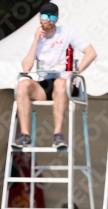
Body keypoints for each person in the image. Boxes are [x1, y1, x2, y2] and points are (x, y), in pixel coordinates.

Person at [13, 2, 97, 149]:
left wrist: (77, 71)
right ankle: (25, 135)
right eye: (45, 16)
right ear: (39, 17)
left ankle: (58, 134)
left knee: (59, 83)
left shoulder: (67, 32)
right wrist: (36, 41)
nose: (48, 20)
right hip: (45, 85)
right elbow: (26, 68)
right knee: (22, 84)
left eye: (52, 17)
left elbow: (91, 53)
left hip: (66, 83)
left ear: (57, 19)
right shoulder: (33, 40)